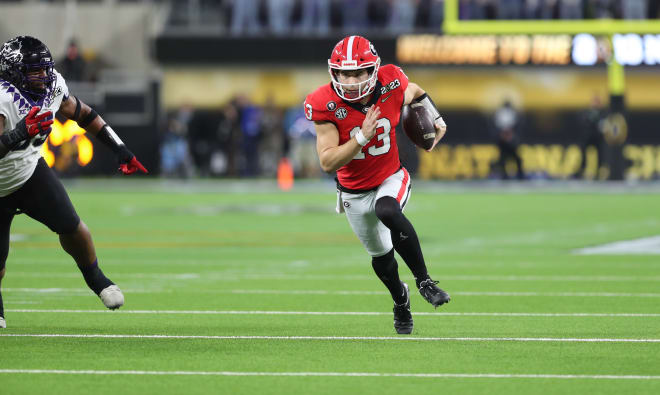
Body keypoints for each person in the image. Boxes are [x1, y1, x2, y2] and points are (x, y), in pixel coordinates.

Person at [304, 35, 450, 335]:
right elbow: (328, 162)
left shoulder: (392, 81)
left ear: (374, 70)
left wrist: (435, 118)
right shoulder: (324, 103)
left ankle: (425, 281)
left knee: (388, 209)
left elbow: (416, 92)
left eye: (359, 72)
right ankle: (400, 299)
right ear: (334, 72)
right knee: (382, 260)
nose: (351, 80)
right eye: (344, 73)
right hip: (353, 190)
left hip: (390, 175)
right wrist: (360, 137)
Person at [0, 36, 148, 329]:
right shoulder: (2, 97)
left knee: (74, 228)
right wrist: (18, 134)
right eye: (34, 71)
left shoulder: (52, 84)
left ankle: (97, 280)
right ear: (14, 72)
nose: (43, 76)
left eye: (44, 69)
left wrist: (120, 149)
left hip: (29, 172)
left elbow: (83, 114)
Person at [492, 99, 525, 180]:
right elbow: (501, 128)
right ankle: (504, 176)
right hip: (503, 141)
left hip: (510, 141)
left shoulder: (507, 114)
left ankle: (519, 176)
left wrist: (509, 136)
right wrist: (504, 136)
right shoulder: (503, 114)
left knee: (516, 159)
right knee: (503, 159)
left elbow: (513, 127)